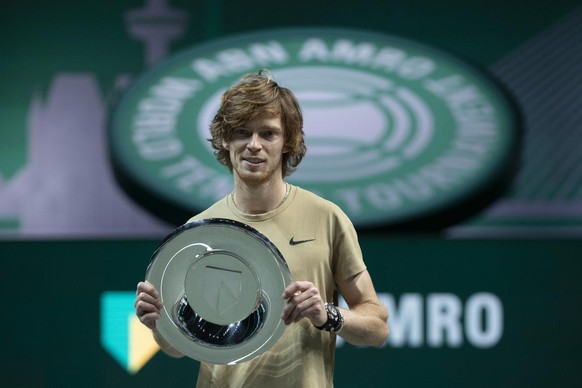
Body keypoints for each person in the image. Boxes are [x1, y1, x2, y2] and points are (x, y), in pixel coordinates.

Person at [134, 69, 389, 387]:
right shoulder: (197, 234)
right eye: (242, 132)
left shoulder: (327, 218)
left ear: (287, 142)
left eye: (268, 133)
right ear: (226, 139)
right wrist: (157, 324)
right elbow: (177, 348)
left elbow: (378, 328)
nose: (254, 145)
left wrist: (327, 314)